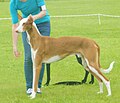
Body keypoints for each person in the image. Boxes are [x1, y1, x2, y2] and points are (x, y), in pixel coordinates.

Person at [9, 0, 51, 94]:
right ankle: (29, 87)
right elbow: (15, 25)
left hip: (43, 24)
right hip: (26, 26)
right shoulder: (13, 3)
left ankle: (37, 87)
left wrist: (32, 19)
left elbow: (44, 11)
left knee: (40, 56)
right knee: (28, 57)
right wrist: (15, 47)